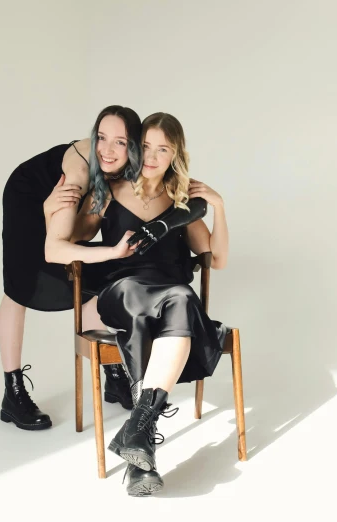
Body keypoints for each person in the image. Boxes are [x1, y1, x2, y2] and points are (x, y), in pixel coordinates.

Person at [45, 112, 229, 496]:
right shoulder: (108, 191)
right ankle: (140, 434)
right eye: (146, 146)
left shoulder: (182, 201)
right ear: (135, 147)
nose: (152, 156)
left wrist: (220, 207)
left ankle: (140, 440)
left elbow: (218, 258)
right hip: (122, 292)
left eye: (163, 149)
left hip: (171, 297)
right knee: (169, 298)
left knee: (181, 295)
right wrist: (53, 209)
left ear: (175, 154)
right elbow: (69, 243)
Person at [0, 106, 142, 430]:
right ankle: (13, 393)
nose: (106, 149)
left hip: (58, 212)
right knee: (19, 286)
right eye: (101, 137)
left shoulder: (130, 170)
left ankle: (113, 375)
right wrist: (112, 250)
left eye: (119, 142)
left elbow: (81, 235)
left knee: (92, 276)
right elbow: (55, 249)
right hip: (30, 195)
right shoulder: (76, 175)